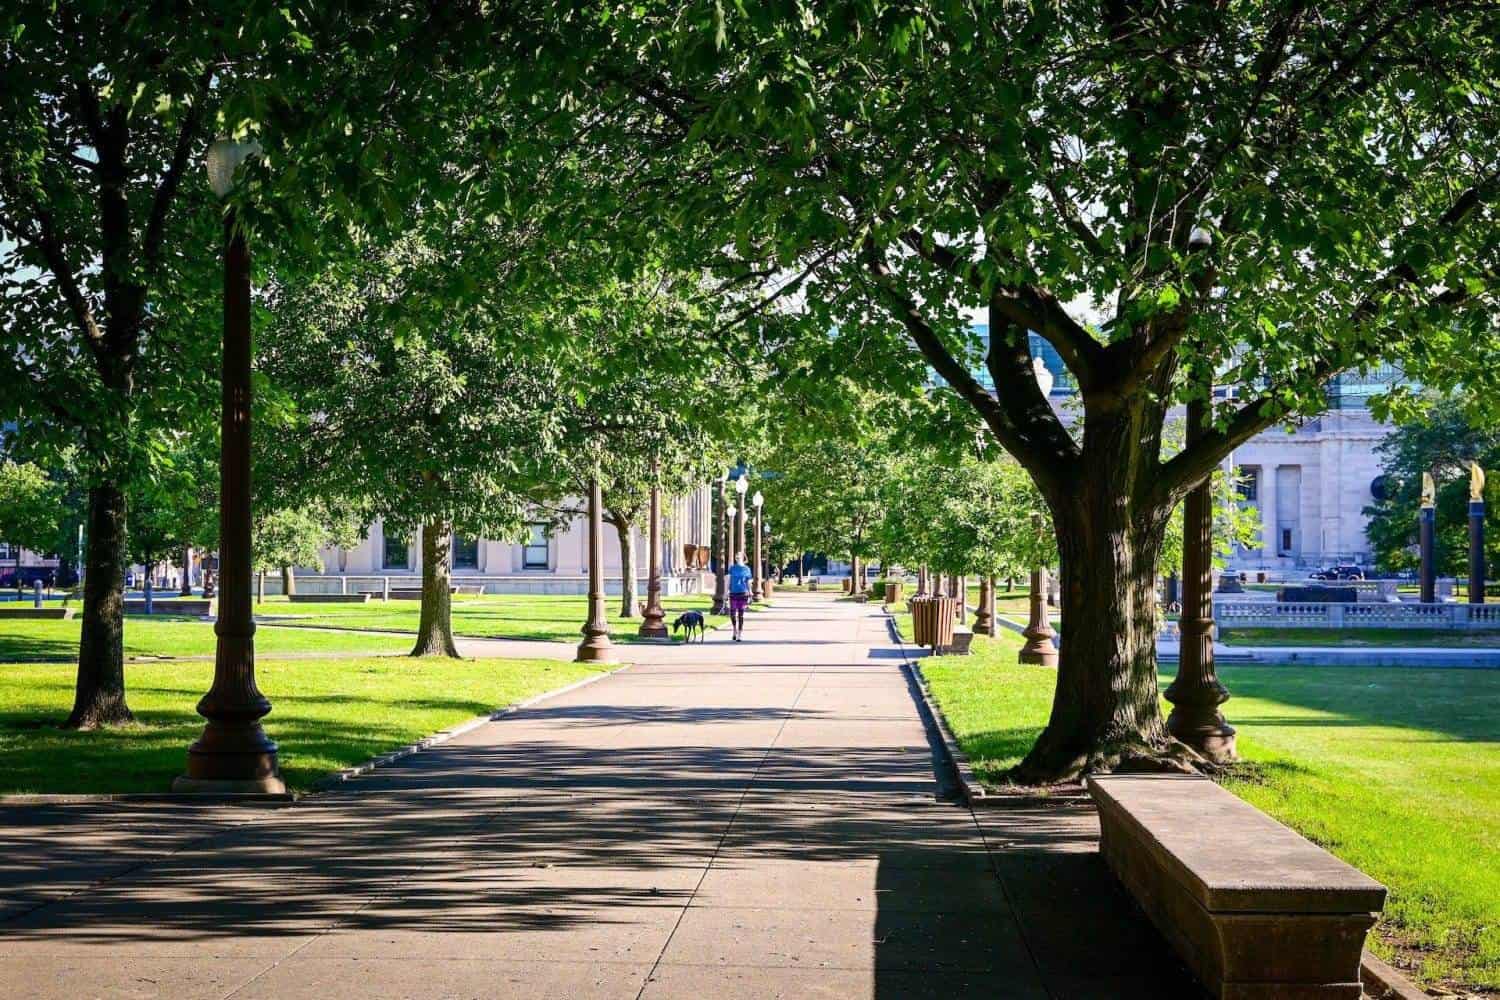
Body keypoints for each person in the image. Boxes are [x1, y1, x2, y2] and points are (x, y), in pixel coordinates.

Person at [727, 551, 753, 641]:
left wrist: (750, 593)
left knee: (741, 615)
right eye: (736, 557)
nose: (737, 558)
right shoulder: (732, 568)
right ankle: (734, 630)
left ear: (743, 558)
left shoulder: (747, 569)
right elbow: (729, 580)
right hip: (733, 593)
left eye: (739, 557)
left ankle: (740, 634)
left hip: (743, 593)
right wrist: (726, 591)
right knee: (733, 613)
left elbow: (749, 582)